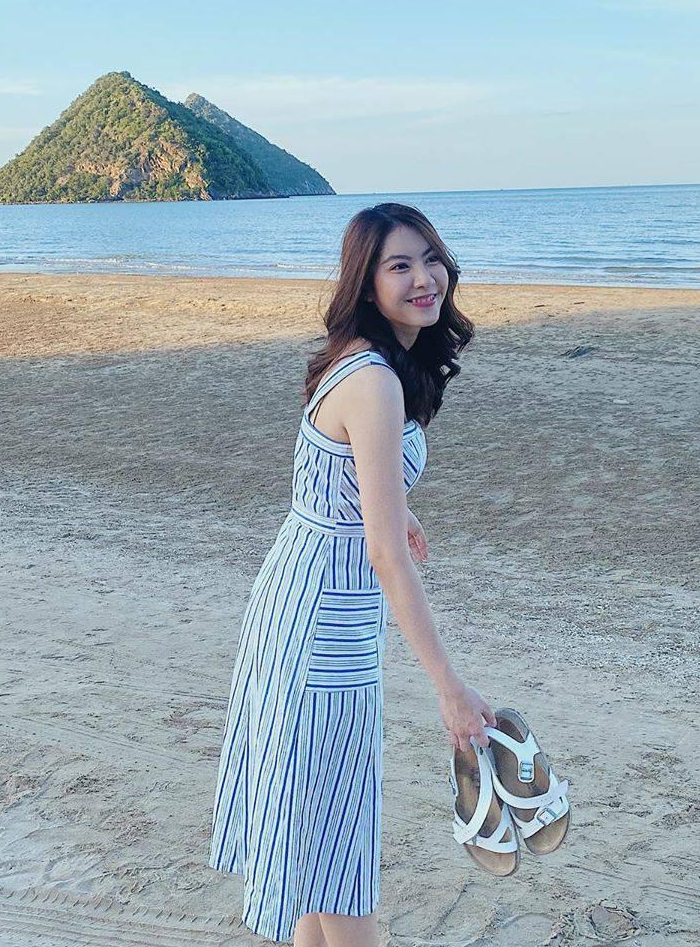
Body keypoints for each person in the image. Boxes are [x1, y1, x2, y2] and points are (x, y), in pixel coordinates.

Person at [208, 202, 496, 946]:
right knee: (336, 843)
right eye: (399, 266)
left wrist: (392, 506)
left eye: (430, 258)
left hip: (308, 600)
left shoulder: (370, 363)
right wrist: (450, 688)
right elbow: (385, 557)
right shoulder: (373, 381)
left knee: (319, 836)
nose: (424, 278)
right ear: (367, 284)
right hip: (322, 627)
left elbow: (335, 475)